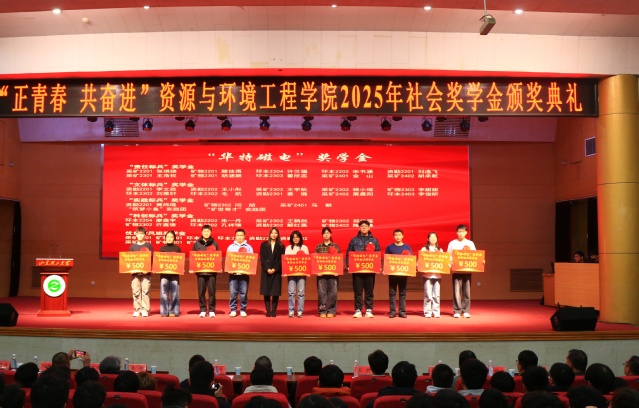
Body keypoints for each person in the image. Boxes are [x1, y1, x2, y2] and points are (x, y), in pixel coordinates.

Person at [347, 220, 381, 318]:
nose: (364, 227)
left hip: (370, 270)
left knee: (369, 291)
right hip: (357, 270)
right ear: (359, 228)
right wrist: (348, 264)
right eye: (362, 226)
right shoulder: (354, 240)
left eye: (366, 226)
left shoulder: (374, 240)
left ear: (369, 228)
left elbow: (378, 253)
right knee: (358, 291)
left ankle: (369, 310)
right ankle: (358, 310)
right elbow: (349, 252)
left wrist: (378, 265)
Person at [447, 225, 480, 318]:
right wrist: (450, 263)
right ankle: (457, 310)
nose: (461, 233)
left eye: (462, 231)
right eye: (459, 231)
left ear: (466, 232)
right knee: (456, 292)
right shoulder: (452, 243)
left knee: (467, 292)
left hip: (467, 270)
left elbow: (475, 255)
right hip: (456, 271)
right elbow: (448, 256)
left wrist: (481, 261)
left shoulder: (470, 243)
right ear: (456, 233)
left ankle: (465, 310)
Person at [192, 224, 220, 318]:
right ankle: (203, 310)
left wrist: (218, 267)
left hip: (211, 272)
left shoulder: (215, 244)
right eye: (205, 231)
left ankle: (212, 310)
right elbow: (193, 258)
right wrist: (193, 268)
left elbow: (217, 258)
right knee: (201, 292)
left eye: (208, 231)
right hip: (201, 272)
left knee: (212, 292)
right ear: (202, 232)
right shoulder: (197, 244)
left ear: (211, 232)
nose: (206, 233)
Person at [385, 229, 412, 318]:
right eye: (396, 235)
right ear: (393, 236)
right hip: (392, 273)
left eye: (399, 235)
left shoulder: (407, 247)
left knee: (402, 293)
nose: (398, 237)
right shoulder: (389, 247)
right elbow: (386, 260)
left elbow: (410, 260)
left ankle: (402, 311)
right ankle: (392, 312)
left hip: (403, 273)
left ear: (402, 236)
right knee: (392, 293)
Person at [315, 227, 341, 318]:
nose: (326, 235)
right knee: (321, 293)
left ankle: (331, 310)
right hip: (321, 274)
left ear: (330, 234)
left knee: (333, 293)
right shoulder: (319, 246)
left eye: (327, 233)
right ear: (322, 235)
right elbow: (315, 260)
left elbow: (339, 260)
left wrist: (337, 271)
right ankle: (322, 310)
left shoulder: (336, 246)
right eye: (324, 233)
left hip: (333, 273)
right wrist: (317, 271)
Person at [227, 228, 253, 318]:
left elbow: (251, 260)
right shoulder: (231, 247)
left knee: (243, 293)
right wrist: (229, 268)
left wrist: (250, 270)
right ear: (235, 236)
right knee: (233, 293)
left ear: (244, 236)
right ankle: (233, 310)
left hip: (244, 274)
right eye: (238, 235)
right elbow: (228, 260)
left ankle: (243, 309)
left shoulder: (248, 247)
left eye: (241, 235)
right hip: (233, 274)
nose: (239, 237)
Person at [129, 226, 153, 317]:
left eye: (142, 234)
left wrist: (149, 269)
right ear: (136, 234)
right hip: (135, 273)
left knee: (145, 292)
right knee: (136, 292)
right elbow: (129, 260)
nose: (140, 235)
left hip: (146, 273)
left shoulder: (149, 246)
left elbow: (152, 259)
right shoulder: (132, 247)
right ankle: (137, 309)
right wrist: (130, 269)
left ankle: (145, 310)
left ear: (145, 235)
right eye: (138, 233)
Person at [260, 227, 285, 317]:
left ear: (278, 235)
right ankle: (268, 310)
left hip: (276, 271)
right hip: (266, 270)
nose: (274, 235)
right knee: (266, 291)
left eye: (275, 233)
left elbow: (281, 259)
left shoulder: (281, 245)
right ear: (269, 234)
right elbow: (262, 258)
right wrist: (267, 268)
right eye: (272, 233)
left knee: (275, 292)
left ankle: (273, 310)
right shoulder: (264, 245)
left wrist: (275, 268)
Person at [286, 230, 309, 318]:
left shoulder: (304, 248)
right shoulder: (288, 248)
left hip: (301, 273)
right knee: (291, 293)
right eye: (294, 237)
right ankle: (291, 311)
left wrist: (307, 272)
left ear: (300, 238)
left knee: (301, 293)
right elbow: (286, 261)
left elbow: (307, 261)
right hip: (291, 274)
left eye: (297, 237)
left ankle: (300, 311)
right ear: (291, 239)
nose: (295, 239)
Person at [422, 232, 443, 318]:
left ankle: (436, 312)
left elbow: (443, 261)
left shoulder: (440, 250)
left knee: (436, 295)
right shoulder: (424, 249)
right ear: (428, 239)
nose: (433, 239)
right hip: (427, 275)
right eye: (431, 237)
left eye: (435, 237)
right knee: (428, 294)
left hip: (437, 275)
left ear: (437, 239)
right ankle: (427, 312)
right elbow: (421, 261)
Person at [160, 230, 181, 317]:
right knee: (163, 294)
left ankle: (173, 311)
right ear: (165, 238)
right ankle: (164, 312)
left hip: (174, 274)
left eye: (171, 237)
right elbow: (159, 262)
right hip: (164, 274)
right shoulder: (162, 249)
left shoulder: (177, 249)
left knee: (175, 294)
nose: (169, 238)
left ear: (174, 239)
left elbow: (180, 262)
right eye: (168, 237)